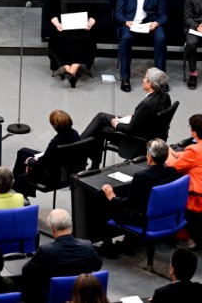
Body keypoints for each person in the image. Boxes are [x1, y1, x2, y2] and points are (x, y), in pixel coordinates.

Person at [80, 68, 171, 168]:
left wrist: (117, 124)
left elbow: (130, 129)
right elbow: (150, 117)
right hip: (147, 131)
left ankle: (79, 149)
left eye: (145, 79)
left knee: (101, 129)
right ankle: (90, 159)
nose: (142, 80)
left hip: (136, 140)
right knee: (101, 117)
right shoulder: (165, 97)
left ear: (150, 84)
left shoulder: (146, 105)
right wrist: (135, 117)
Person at [22, 209, 102, 303]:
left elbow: (26, 271)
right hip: (83, 296)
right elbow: (98, 265)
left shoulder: (45, 250)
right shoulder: (87, 246)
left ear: (52, 229)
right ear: (70, 226)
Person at [114, 0, 168, 91]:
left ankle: (160, 80)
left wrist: (156, 23)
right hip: (130, 24)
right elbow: (118, 14)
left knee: (161, 38)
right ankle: (125, 77)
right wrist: (127, 22)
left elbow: (164, 15)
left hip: (151, 24)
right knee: (125, 38)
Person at [102, 139, 178, 229]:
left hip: (143, 220)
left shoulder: (141, 176)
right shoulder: (172, 171)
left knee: (108, 204)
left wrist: (112, 197)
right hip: (166, 216)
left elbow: (131, 204)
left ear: (149, 157)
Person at [45, 0, 97, 86]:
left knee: (85, 39)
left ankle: (70, 70)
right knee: (60, 38)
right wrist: (57, 23)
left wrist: (91, 22)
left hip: (82, 28)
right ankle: (71, 72)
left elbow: (95, 11)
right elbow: (49, 10)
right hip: (63, 27)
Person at [13, 110, 81, 197]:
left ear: (55, 127)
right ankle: (20, 184)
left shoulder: (55, 143)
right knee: (23, 152)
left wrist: (30, 161)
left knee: (24, 167)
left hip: (53, 177)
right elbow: (50, 157)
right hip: (66, 169)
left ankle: (18, 190)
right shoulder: (75, 134)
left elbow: (41, 165)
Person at [167, 115, 202, 245]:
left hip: (197, 199)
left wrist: (169, 154)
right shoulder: (195, 150)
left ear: (194, 131)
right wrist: (178, 154)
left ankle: (187, 239)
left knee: (167, 197)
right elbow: (191, 158)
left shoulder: (194, 150)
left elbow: (172, 167)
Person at [184, 0, 202, 89]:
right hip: (194, 27)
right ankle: (193, 73)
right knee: (191, 43)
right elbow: (187, 17)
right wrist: (197, 26)